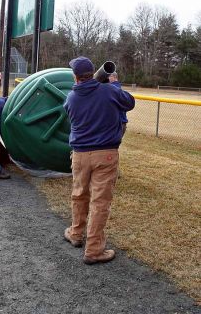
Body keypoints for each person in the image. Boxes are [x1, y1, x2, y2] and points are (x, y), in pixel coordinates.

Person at [63, 57, 135, 265]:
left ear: (75, 77)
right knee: (100, 202)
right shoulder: (110, 91)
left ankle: (76, 234)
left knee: (79, 195)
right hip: (106, 154)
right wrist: (114, 84)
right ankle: (94, 250)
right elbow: (129, 102)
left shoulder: (71, 98)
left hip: (79, 155)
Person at [109, 72, 128, 137]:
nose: (107, 78)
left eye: (109, 76)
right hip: (121, 124)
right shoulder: (118, 88)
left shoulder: (113, 89)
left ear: (114, 77)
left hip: (117, 124)